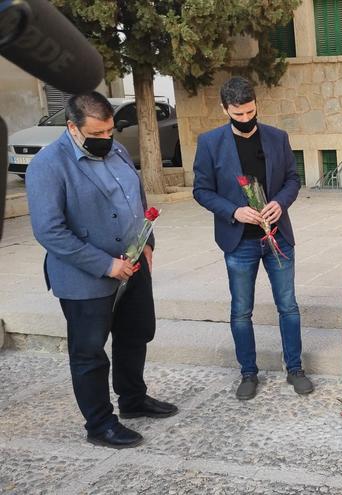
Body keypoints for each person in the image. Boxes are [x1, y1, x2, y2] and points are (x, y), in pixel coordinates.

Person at [26, 92, 177, 448]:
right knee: (90, 352)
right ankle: (99, 424)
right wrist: (106, 264)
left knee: (136, 334)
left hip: (134, 264)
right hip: (86, 278)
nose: (106, 139)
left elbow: (136, 200)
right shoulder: (49, 165)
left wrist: (148, 241)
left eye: (110, 131)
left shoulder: (117, 149)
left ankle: (133, 399)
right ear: (72, 128)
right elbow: (49, 231)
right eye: (98, 134)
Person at [193, 76, 312, 400]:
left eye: (250, 112)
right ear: (225, 109)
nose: (245, 119)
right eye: (238, 114)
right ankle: (248, 373)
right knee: (241, 310)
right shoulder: (209, 143)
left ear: (256, 104)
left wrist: (280, 202)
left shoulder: (277, 137)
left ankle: (295, 369)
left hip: (278, 236)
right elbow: (201, 191)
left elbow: (291, 179)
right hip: (238, 241)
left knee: (288, 306)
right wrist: (234, 211)